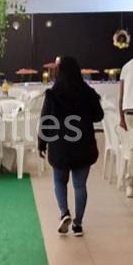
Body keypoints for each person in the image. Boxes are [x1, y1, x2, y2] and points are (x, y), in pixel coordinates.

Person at [39, 56, 104, 237]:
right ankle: (78, 224)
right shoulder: (88, 92)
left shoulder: (52, 94)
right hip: (84, 146)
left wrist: (41, 143)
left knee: (59, 181)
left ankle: (64, 213)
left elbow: (45, 120)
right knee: (80, 186)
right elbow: (98, 116)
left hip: (59, 147)